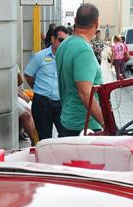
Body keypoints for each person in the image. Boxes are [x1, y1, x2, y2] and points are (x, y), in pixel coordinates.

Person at [55, 3, 104, 136]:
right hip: (85, 127)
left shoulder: (64, 44)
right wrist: (106, 123)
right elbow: (85, 93)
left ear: (75, 20)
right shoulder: (83, 50)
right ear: (97, 23)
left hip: (68, 122)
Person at [25, 25, 68, 140]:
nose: (63, 44)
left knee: (65, 136)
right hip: (42, 103)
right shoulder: (40, 57)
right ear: (53, 39)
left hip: (61, 103)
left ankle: (60, 158)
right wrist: (38, 89)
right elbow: (28, 75)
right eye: (61, 40)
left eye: (66, 41)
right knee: (44, 139)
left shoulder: (68, 58)